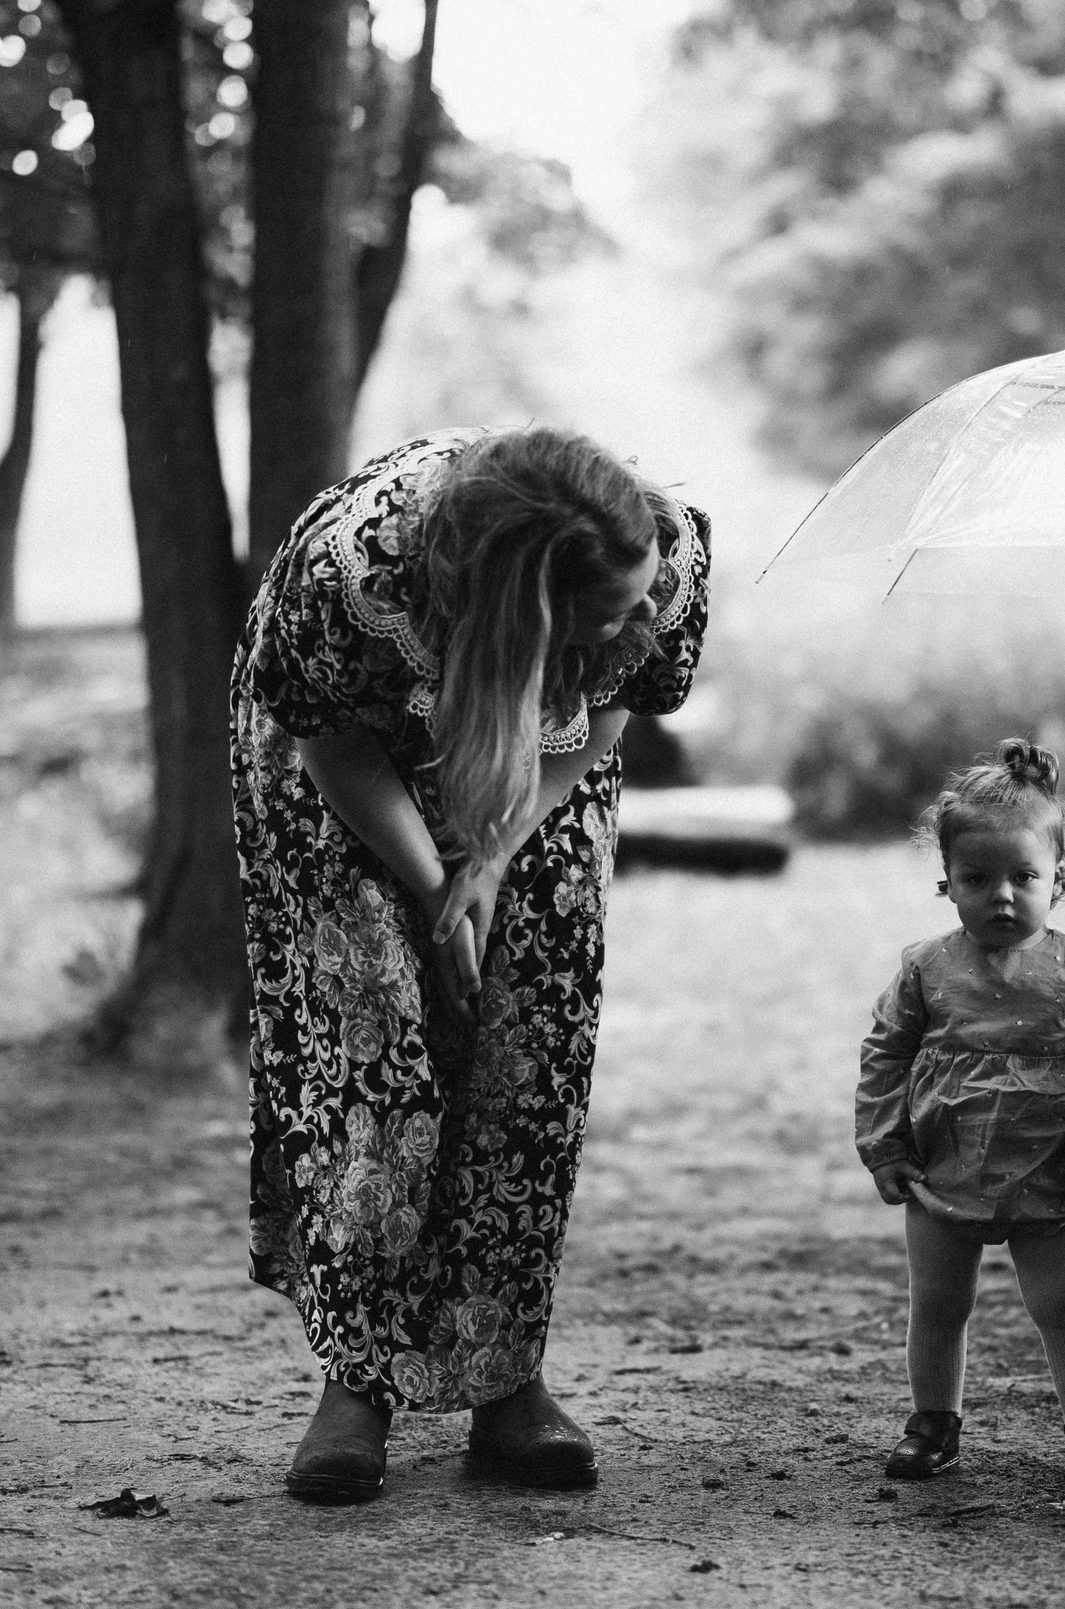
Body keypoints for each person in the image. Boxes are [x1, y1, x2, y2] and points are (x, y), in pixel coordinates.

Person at [230, 425, 711, 1503]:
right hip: (343, 762)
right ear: (522, 609)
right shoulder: (351, 578)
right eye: (604, 611)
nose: (634, 619)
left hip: (543, 761)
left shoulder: (662, 551)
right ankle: (357, 1383)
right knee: (373, 1053)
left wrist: (489, 860)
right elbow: (330, 742)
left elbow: (615, 697)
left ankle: (507, 1378)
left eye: (636, 600)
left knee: (529, 1045)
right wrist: (433, 891)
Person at [858, 739, 1065, 1485]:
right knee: (938, 1302)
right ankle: (933, 1423)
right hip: (941, 1167)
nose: (1003, 896)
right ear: (948, 882)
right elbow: (884, 1055)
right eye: (977, 879)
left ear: (1060, 877)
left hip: (1047, 1174)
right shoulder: (925, 968)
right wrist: (884, 1146)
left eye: (1024, 876)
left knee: (1063, 1303)